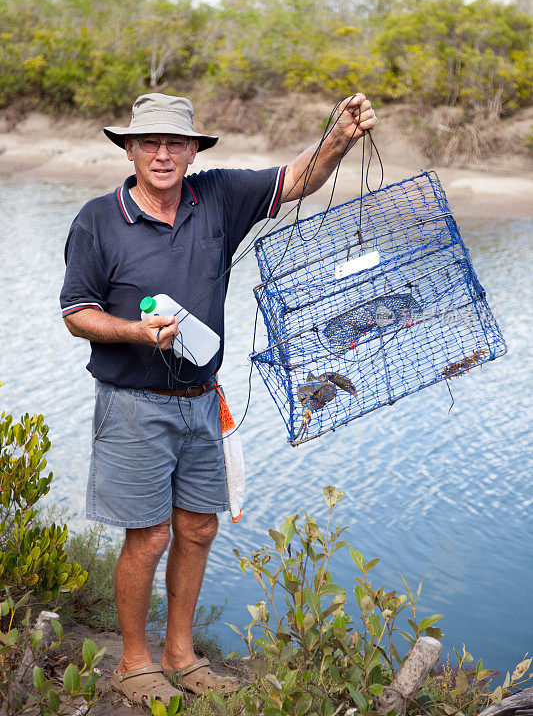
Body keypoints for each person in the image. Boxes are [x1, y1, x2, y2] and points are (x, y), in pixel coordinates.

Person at [60, 92, 376, 705]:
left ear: (193, 150)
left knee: (198, 528)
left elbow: (299, 179)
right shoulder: (96, 220)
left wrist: (341, 135)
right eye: (150, 143)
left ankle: (180, 654)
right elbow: (76, 314)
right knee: (148, 537)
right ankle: (132, 661)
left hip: (204, 400)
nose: (163, 154)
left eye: (176, 143)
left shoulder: (220, 197)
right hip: (133, 402)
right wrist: (134, 330)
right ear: (129, 149)